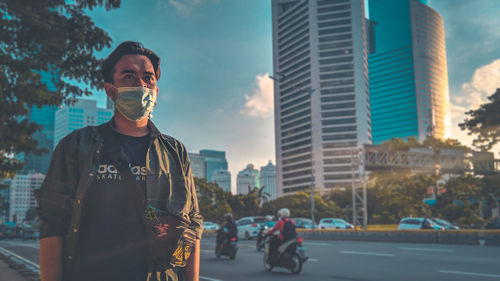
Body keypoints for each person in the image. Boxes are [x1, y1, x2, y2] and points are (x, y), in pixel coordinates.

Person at [36, 41, 203, 281]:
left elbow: (192, 226)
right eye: (128, 76)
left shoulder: (175, 152)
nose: (141, 84)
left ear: (156, 90)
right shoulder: (76, 145)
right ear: (110, 89)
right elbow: (53, 224)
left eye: (149, 77)